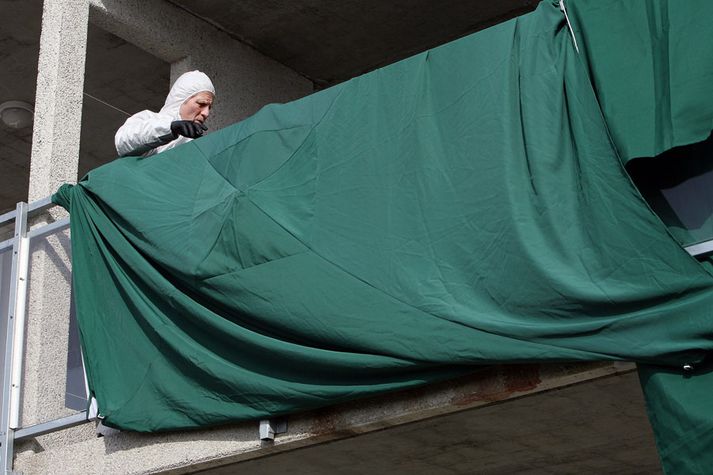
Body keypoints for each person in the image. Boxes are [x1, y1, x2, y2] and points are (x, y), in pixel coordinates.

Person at [115, 70, 215, 157]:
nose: (206, 113)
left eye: (209, 107)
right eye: (201, 104)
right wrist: (169, 129)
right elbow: (123, 142)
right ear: (181, 99)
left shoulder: (199, 149)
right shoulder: (148, 119)